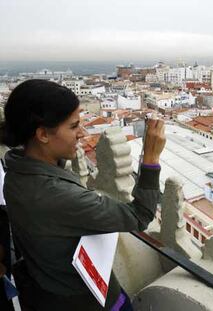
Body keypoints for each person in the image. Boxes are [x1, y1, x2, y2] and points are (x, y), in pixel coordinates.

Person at [0, 79, 166, 311]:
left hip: (45, 291)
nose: (82, 133)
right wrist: (150, 157)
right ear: (43, 135)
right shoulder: (56, 195)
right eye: (73, 125)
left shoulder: (15, 173)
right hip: (90, 301)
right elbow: (140, 216)